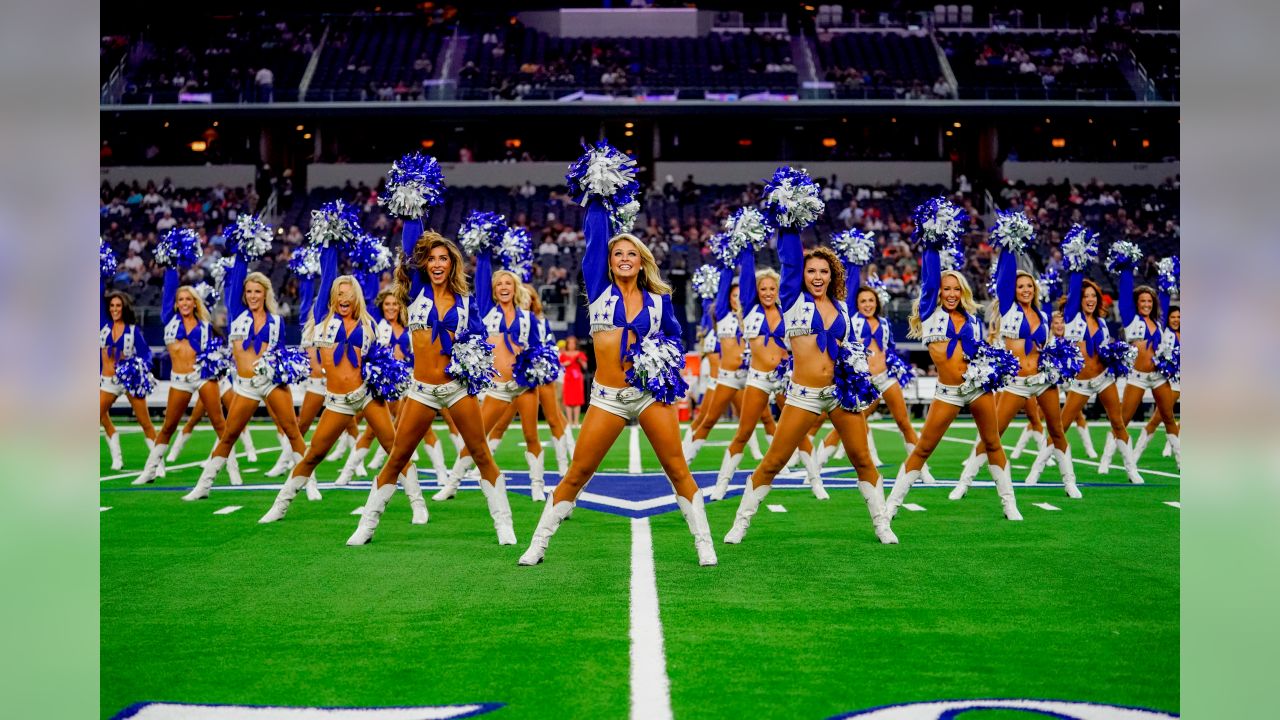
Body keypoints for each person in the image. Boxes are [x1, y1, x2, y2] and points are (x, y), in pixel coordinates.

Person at [518, 165, 716, 567]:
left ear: (642, 262)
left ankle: (704, 543)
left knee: (677, 469)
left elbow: (676, 340)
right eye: (618, 254)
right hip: (607, 398)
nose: (624, 258)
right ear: (609, 263)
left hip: (648, 396)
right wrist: (596, 193)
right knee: (577, 473)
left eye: (632, 254)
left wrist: (660, 359)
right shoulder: (600, 289)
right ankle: (538, 544)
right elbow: (595, 239)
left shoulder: (660, 302)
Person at [721, 214, 897, 545]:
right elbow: (789, 256)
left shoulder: (843, 307)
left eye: (824, 271)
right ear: (802, 275)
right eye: (811, 271)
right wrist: (790, 217)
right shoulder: (792, 299)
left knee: (862, 458)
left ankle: (882, 523)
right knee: (774, 461)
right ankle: (740, 523)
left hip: (840, 393)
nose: (817, 276)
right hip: (803, 395)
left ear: (833, 275)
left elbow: (850, 348)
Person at [346, 227, 515, 546]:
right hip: (421, 390)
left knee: (481, 454)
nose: (438, 264)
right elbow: (412, 240)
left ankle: (503, 524)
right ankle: (367, 526)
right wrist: (413, 200)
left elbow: (479, 340)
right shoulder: (417, 291)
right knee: (397, 456)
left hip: (456, 389)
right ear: (424, 263)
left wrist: (472, 361)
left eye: (444, 259)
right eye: (432, 259)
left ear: (453, 264)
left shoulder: (466, 302)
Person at [886, 198, 1024, 521]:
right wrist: (932, 239)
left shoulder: (974, 321)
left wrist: (1008, 249)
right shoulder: (931, 314)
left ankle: (1009, 503)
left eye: (954, 289)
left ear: (962, 291)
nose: (948, 293)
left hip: (977, 388)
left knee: (993, 443)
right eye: (945, 289)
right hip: (947, 391)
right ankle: (891, 505)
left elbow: (1004, 287)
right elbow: (930, 278)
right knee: (923, 448)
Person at [260, 275, 427, 523]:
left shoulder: (369, 324)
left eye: (348, 294)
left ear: (356, 297)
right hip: (338, 400)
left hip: (366, 396)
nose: (344, 299)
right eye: (339, 293)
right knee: (314, 453)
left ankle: (418, 504)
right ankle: (281, 504)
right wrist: (331, 240)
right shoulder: (324, 322)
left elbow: (376, 360)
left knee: (395, 449)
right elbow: (327, 272)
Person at [952, 216, 1080, 499]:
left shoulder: (1044, 315)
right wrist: (1010, 243)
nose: (1025, 290)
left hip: (1043, 379)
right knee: (993, 433)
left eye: (1029, 287)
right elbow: (1005, 277)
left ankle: (1069, 481)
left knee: (1057, 430)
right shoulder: (1009, 309)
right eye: (1021, 287)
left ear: (1035, 290)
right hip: (1016, 381)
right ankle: (965, 481)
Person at [182, 264, 308, 501]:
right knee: (229, 434)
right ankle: (203, 486)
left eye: (257, 292)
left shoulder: (277, 321)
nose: (252, 296)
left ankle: (309, 483)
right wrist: (243, 249)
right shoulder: (237, 314)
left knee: (292, 432)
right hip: (246, 385)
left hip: (271, 382)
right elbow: (238, 274)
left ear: (265, 294)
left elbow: (279, 353)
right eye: (249, 291)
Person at [437, 268, 546, 500]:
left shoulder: (528, 318)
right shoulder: (486, 312)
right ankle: (452, 484)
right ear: (494, 291)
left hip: (524, 385)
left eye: (508, 283)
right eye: (499, 284)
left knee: (531, 436)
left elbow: (538, 349)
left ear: (516, 288)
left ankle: (537, 486)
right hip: (498, 387)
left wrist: (534, 366)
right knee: (477, 436)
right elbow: (481, 279)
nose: (504, 287)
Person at [133, 260, 232, 485]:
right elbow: (168, 289)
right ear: (176, 304)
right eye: (181, 300)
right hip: (179, 380)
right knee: (169, 425)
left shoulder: (206, 326)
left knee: (220, 423)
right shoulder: (169, 320)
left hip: (202, 377)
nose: (185, 303)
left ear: (195, 303)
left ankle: (233, 471)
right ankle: (150, 470)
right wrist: (171, 265)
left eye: (189, 299)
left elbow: (217, 352)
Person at [1057, 237, 1145, 484]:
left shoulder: (1104, 323)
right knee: (1061, 426)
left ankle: (1131, 469)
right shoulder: (1072, 316)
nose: (1090, 299)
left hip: (1103, 378)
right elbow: (1075, 289)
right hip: (1080, 383)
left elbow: (1106, 351)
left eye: (1094, 296)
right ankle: (1038, 468)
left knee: (1117, 422)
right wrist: (1078, 260)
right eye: (1086, 296)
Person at [1116, 262, 1180, 467]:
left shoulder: (1159, 323)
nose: (1146, 304)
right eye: (1142, 301)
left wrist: (1168, 274)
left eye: (1149, 301)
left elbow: (1164, 296)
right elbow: (1126, 295)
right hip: (1139, 376)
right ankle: (1110, 460)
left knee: (1168, 417)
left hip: (1161, 376)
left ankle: (1180, 459)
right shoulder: (1132, 319)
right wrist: (1126, 266)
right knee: (1125, 419)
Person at [100, 290, 157, 470]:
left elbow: (146, 353)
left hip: (129, 381)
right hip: (108, 381)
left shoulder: (133, 331)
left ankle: (157, 463)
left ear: (124, 308)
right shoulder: (103, 325)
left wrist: (143, 366)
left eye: (118, 306)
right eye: (112, 306)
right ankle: (117, 459)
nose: (115, 309)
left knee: (145, 422)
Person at [1135, 304, 1180, 459]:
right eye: (1173, 317)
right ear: (1168, 319)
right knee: (1158, 418)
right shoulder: (1167, 335)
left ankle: (1172, 444)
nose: (1176, 320)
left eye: (1179, 317)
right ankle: (1136, 454)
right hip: (1171, 381)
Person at [560, 335, 587, 427]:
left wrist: (581, 361)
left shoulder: (580, 354)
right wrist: (564, 364)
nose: (571, 345)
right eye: (570, 343)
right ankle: (569, 421)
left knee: (577, 400)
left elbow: (585, 367)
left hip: (577, 379)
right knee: (568, 400)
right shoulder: (563, 355)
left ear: (576, 344)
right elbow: (559, 366)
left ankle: (576, 421)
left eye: (573, 343)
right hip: (568, 378)